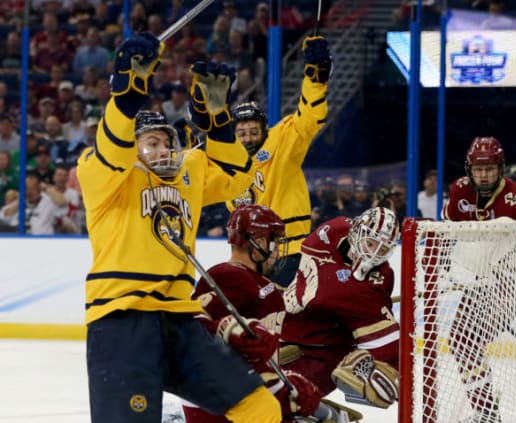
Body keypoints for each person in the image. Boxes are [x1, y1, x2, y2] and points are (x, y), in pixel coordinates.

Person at [76, 33, 280, 423]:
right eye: (150, 142)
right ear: (133, 147)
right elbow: (112, 145)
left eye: (167, 141)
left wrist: (219, 122)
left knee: (260, 407)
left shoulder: (186, 174)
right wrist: (127, 96)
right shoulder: (104, 174)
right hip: (123, 319)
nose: (162, 150)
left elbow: (238, 176)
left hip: (179, 319)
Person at [441, 136, 516, 422]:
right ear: (469, 169)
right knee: (461, 339)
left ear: (501, 168)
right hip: (480, 283)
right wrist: (440, 267)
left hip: (513, 283)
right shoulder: (459, 191)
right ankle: (486, 411)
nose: (484, 175)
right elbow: (446, 230)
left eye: (490, 169)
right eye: (478, 169)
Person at [183, 204, 323, 423]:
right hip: (225, 405)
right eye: (274, 243)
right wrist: (225, 328)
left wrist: (287, 382)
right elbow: (190, 327)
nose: (277, 252)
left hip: (249, 397)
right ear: (257, 243)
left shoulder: (258, 282)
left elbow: (257, 353)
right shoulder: (230, 276)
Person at [228, 35, 332, 287]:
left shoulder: (282, 141)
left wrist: (315, 81)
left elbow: (310, 117)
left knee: (281, 318)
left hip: (289, 251)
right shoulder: (227, 160)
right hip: (250, 256)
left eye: (253, 131)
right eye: (242, 133)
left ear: (264, 129)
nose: (248, 138)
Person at [281, 207, 401, 409]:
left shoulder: (383, 277)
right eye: (370, 243)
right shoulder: (332, 232)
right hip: (294, 326)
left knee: (290, 402)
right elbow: (314, 296)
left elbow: (384, 336)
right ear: (357, 232)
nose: (373, 254)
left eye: (382, 250)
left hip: (327, 348)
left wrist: (395, 374)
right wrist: (354, 292)